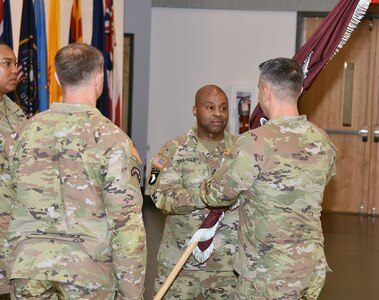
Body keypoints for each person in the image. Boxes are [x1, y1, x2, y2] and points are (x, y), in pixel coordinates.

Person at [1, 43, 147, 299]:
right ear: (99, 77)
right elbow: (126, 226)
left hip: (29, 267)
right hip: (87, 272)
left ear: (57, 78)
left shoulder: (23, 133)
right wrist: (132, 293)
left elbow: (6, 206)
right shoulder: (112, 140)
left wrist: (7, 270)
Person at [200, 58, 337, 299]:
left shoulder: (255, 142)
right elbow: (315, 185)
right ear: (299, 90)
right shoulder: (322, 140)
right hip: (309, 267)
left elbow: (218, 194)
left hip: (266, 272)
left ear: (265, 91)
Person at [148, 84, 239, 299]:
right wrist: (202, 197)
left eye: (223, 108)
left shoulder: (241, 150)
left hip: (227, 264)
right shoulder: (173, 149)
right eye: (210, 107)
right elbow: (159, 195)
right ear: (195, 110)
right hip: (179, 262)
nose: (218, 113)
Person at [0, 43, 26, 298]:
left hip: (12, 224)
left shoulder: (14, 111)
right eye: (6, 63)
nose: (14, 70)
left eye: (15, 63)